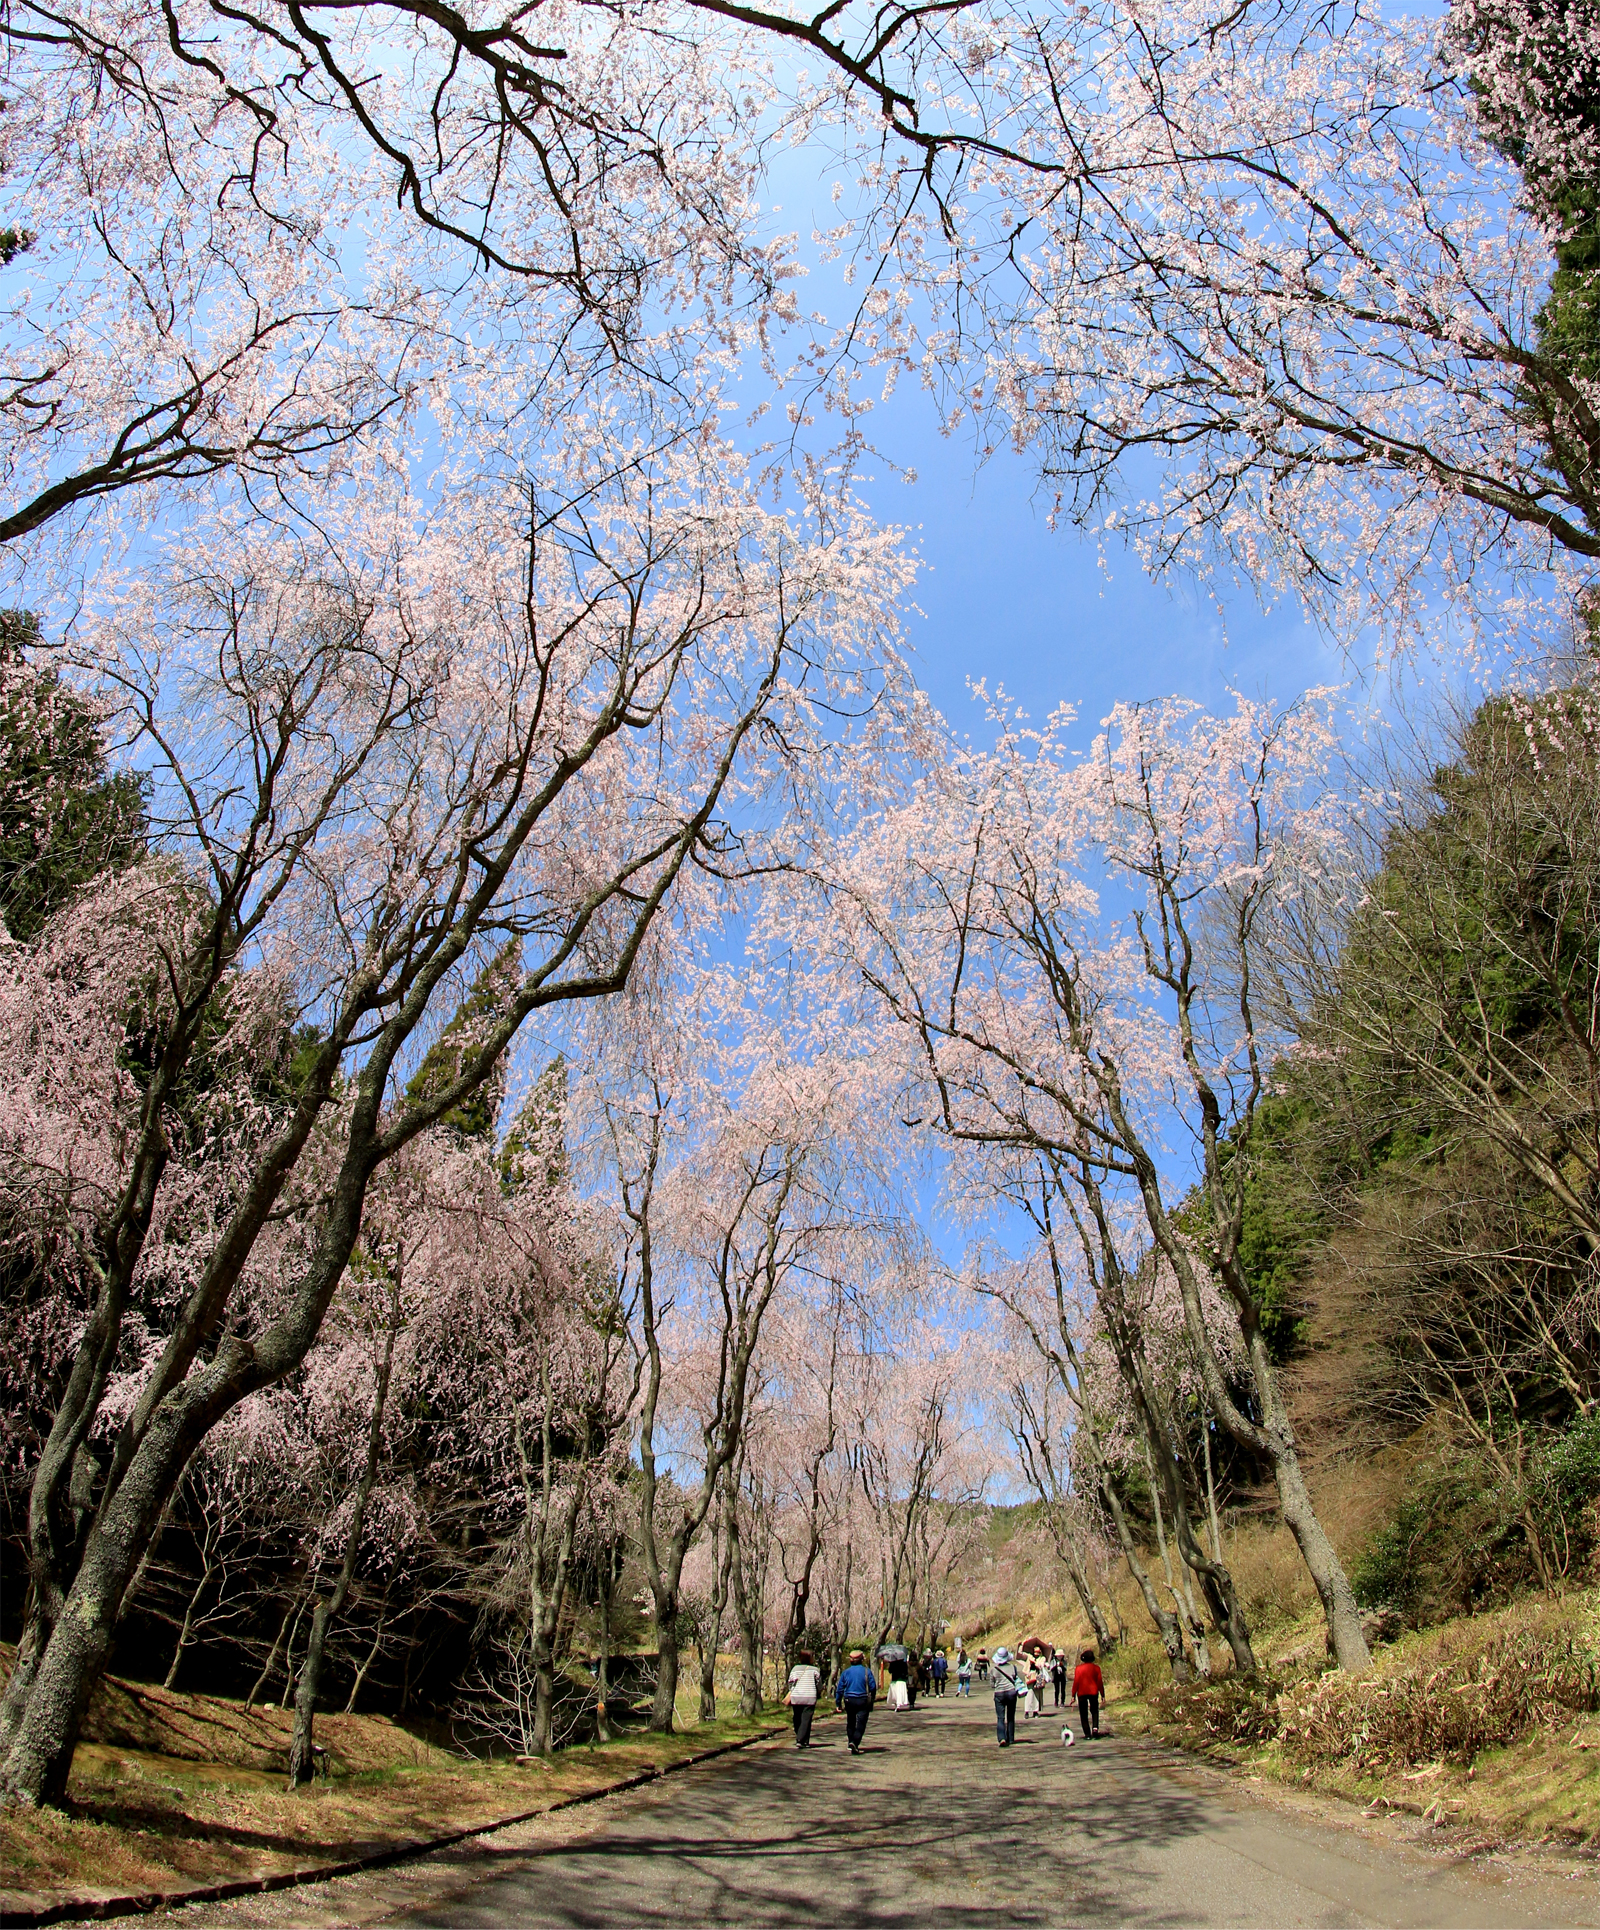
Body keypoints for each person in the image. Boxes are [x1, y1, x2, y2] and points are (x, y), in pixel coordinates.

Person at [835, 1650, 878, 1754]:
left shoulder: (846, 1672)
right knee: (861, 1723)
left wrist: (838, 1703)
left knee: (851, 1722)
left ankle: (851, 1741)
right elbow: (873, 1686)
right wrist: (872, 1697)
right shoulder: (867, 1671)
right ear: (861, 1660)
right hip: (862, 1699)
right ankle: (855, 1742)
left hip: (849, 1699)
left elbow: (840, 1689)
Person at [784, 1649, 822, 1749]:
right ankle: (802, 1739)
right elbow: (819, 1683)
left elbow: (790, 1682)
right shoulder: (815, 1670)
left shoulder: (795, 1669)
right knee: (806, 1719)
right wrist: (819, 1691)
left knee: (797, 1718)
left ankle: (802, 1738)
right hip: (809, 1696)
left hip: (797, 1696)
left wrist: (792, 1689)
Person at [991, 1645, 1021, 1747]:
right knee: (1011, 1717)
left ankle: (1002, 1738)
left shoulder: (994, 1669)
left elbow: (992, 1684)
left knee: (1000, 1717)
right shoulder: (1013, 1667)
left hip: (999, 1694)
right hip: (1011, 1693)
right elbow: (1015, 1678)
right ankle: (1011, 1738)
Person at [1073, 1648, 1105, 1740]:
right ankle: (1095, 1728)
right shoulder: (1096, 1668)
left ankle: (1087, 1733)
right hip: (1093, 1691)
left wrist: (1073, 1694)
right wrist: (1102, 1694)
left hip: (1082, 1692)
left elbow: (1076, 1682)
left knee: (1083, 1713)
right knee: (1094, 1710)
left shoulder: (1078, 1669)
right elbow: (1099, 1682)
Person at [1022, 1656, 1042, 1720]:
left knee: (1036, 1695)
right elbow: (1024, 1670)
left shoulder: (1041, 1659)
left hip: (1037, 1678)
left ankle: (1035, 1711)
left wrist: (1037, 1665)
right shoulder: (1029, 1659)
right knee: (1029, 1695)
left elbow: (1041, 1668)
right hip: (1029, 1679)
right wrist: (1028, 1673)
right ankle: (1027, 1711)